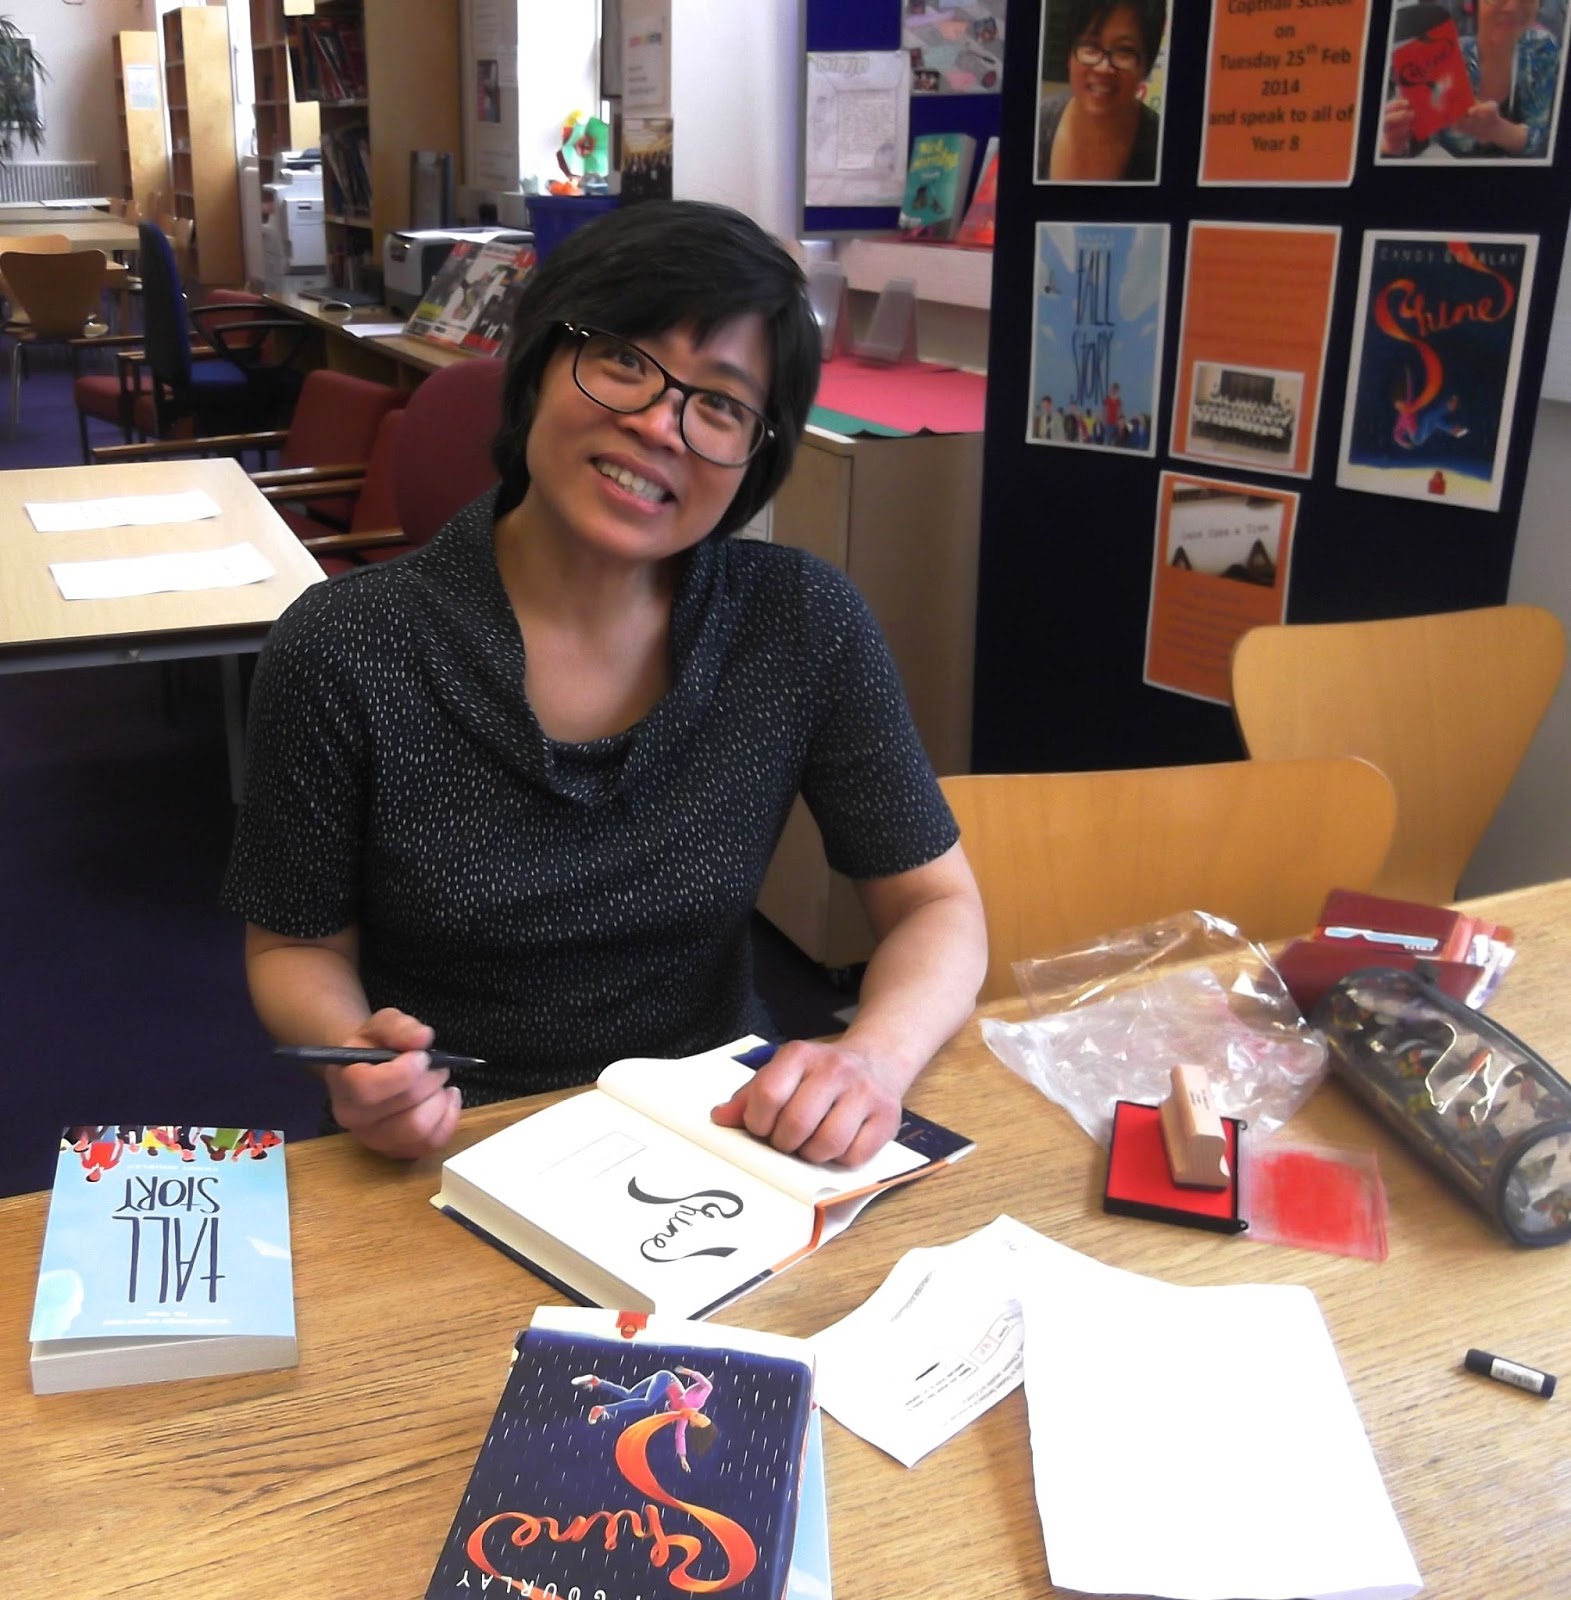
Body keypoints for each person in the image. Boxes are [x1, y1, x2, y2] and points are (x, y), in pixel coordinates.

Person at [223, 201, 986, 1169]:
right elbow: (293, 945)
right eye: (625, 359)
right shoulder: (347, 643)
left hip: (715, 1135)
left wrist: (872, 1056)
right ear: (541, 362)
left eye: (720, 405)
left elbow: (935, 905)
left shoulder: (797, 623)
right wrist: (357, 1059)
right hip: (444, 1143)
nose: (659, 424)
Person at [1381, 0, 1561, 159]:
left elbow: (1541, 141)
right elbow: (1409, 142)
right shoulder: (1439, 58)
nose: (1513, 7)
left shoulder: (1541, 49)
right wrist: (1392, 144)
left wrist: (1498, 130)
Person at [1037, 1, 1167, 182]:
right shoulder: (1037, 124)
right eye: (1091, 46)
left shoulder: (1163, 149)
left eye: (1124, 51)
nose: (1103, 68)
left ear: (1146, 66)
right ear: (1069, 54)